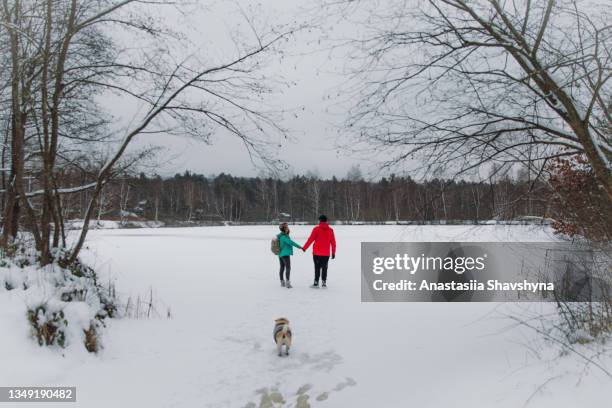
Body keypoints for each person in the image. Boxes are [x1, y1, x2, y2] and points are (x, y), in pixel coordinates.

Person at [303, 214, 336, 288]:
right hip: (326, 254)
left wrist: (305, 248)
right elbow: (333, 242)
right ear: (326, 221)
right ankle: (324, 283)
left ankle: (316, 283)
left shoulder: (316, 229)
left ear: (320, 220)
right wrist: (333, 252)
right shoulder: (330, 230)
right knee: (324, 268)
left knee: (317, 267)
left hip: (317, 253)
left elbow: (310, 239)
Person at [277, 222, 303, 289]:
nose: (288, 229)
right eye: (287, 227)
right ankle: (287, 283)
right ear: (284, 229)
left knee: (282, 267)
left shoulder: (280, 235)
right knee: (288, 267)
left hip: (280, 254)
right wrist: (300, 247)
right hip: (285, 254)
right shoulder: (284, 237)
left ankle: (282, 282)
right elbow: (291, 243)